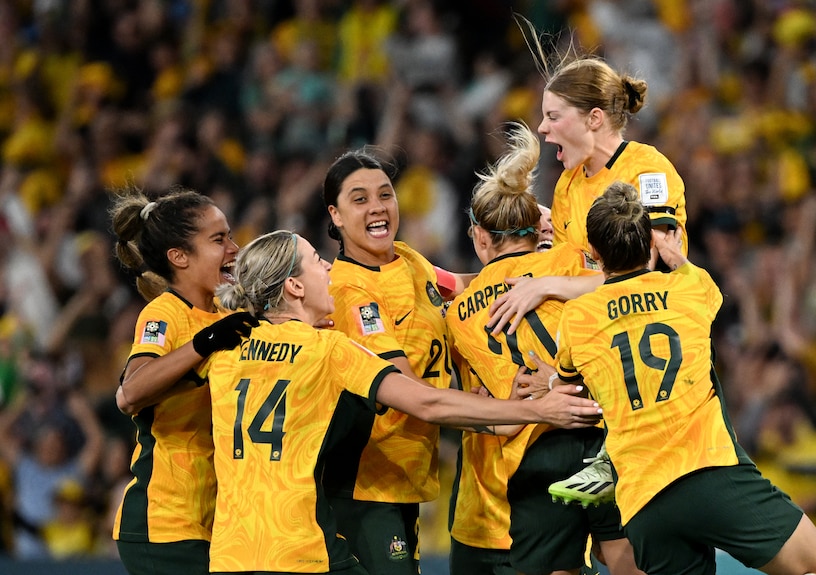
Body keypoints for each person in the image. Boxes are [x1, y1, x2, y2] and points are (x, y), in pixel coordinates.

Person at [199, 228, 595, 574]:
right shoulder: (327, 349)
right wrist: (536, 410)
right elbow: (426, 404)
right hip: (298, 548)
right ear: (295, 287)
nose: (330, 271)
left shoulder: (223, 351)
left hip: (230, 551)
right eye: (318, 262)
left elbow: (135, 390)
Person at [549, 181, 816, 575]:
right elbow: (696, 283)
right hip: (712, 472)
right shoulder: (692, 287)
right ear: (649, 243)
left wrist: (547, 385)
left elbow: (569, 387)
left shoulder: (577, 318)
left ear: (595, 253)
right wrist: (674, 255)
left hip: (644, 501)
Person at [445, 121, 641, 575]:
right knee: (627, 560)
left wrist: (484, 411)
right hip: (608, 431)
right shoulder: (572, 258)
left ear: (480, 237)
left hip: (539, 450)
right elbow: (627, 280)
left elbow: (509, 415)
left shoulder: (462, 312)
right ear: (538, 226)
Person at [487, 16, 687, 336]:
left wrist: (548, 285)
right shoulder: (567, 186)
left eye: (553, 116)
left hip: (659, 342)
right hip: (598, 345)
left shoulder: (648, 169)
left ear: (593, 118)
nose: (541, 128)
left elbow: (652, 271)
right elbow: (569, 271)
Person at [320, 149, 470, 575]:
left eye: (385, 194)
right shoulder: (350, 291)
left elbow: (461, 286)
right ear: (335, 215)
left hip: (404, 478)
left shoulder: (407, 259)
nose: (378, 207)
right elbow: (413, 395)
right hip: (364, 484)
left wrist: (536, 275)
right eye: (360, 199)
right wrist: (499, 415)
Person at [109, 187, 258, 575]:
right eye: (219, 239)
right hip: (164, 522)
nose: (234, 247)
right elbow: (129, 393)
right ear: (179, 257)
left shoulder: (232, 313)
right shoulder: (165, 314)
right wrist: (204, 344)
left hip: (214, 521)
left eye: (230, 235)